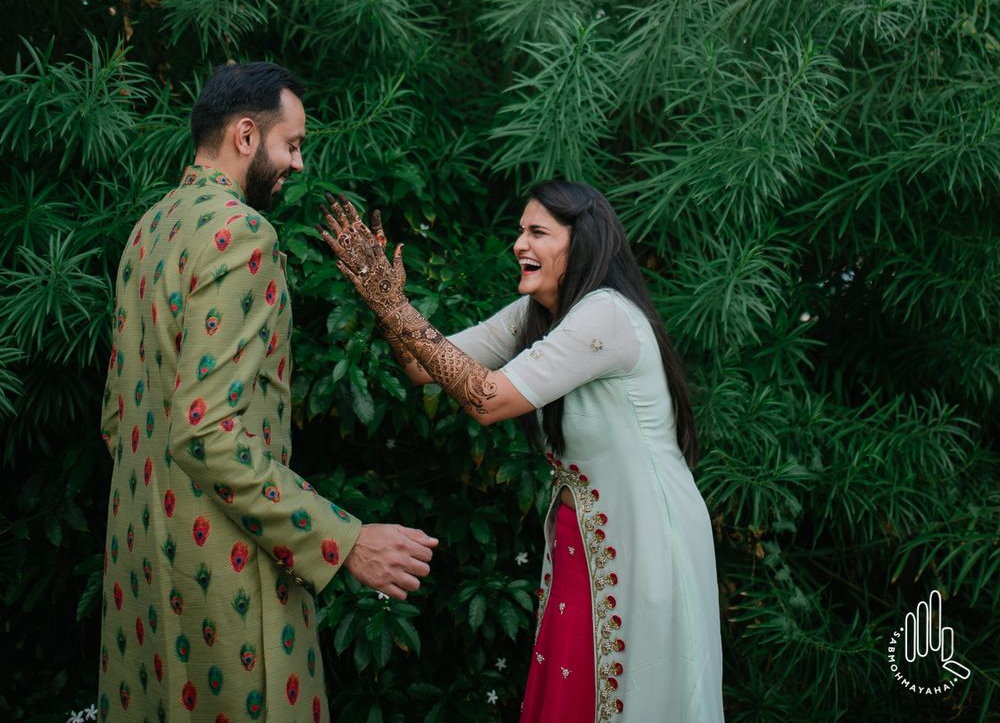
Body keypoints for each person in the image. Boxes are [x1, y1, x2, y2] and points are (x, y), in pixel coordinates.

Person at [98, 62, 437, 723]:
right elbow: (205, 431)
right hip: (225, 578)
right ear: (246, 136)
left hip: (142, 574)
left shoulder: (148, 232)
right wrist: (343, 539)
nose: (300, 164)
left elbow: (117, 418)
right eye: (294, 144)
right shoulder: (242, 234)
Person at [319, 180, 725, 723]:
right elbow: (424, 366)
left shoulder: (604, 314)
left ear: (581, 243)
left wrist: (396, 306)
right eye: (519, 231)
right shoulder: (534, 313)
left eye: (537, 231)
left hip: (647, 533)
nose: (519, 243)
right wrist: (386, 304)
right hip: (587, 536)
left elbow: (486, 398)